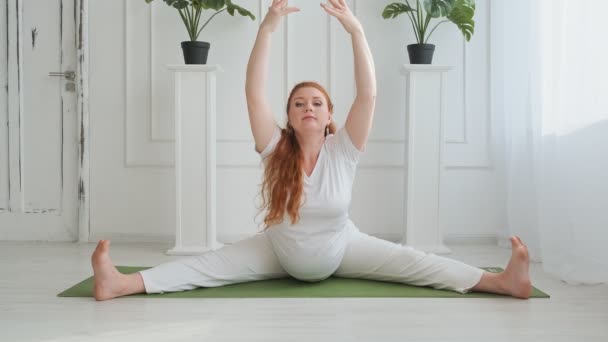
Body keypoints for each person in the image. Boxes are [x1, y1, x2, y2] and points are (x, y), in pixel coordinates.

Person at [91, 0, 532, 301]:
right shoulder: (275, 149)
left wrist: (356, 30)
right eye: (299, 102)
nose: (308, 107)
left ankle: (502, 283)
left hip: (341, 248)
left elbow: (369, 94)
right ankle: (119, 285)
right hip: (279, 250)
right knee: (207, 265)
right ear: (289, 114)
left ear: (328, 115)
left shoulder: (344, 150)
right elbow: (253, 95)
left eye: (316, 103)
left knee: (416, 262)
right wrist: (267, 29)